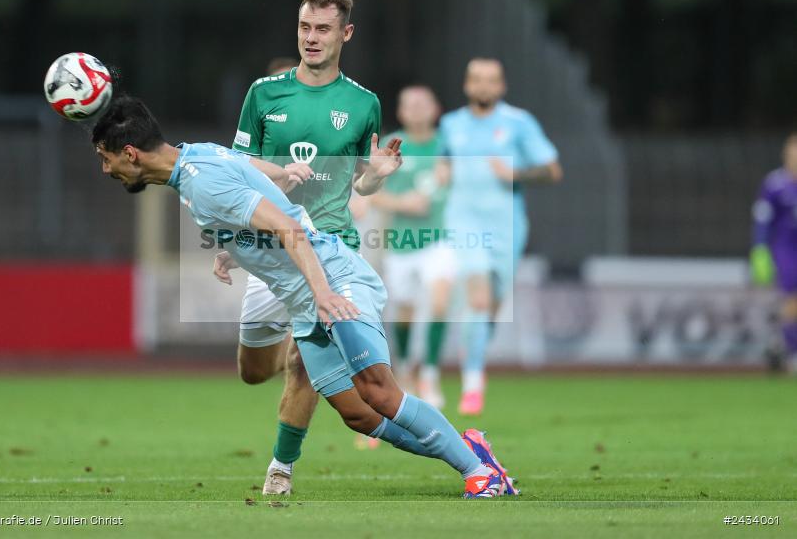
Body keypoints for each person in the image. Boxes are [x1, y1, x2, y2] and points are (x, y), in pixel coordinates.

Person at [91, 95, 517, 499]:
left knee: (379, 390)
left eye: (105, 158)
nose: (106, 170)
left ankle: (480, 475)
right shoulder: (195, 157)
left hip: (332, 278)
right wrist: (233, 250)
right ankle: (472, 451)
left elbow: (289, 228)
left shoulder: (203, 183)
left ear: (130, 153)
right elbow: (257, 185)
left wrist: (324, 293)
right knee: (359, 414)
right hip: (305, 299)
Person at [221, 0, 396, 495]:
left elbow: (359, 183)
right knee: (254, 371)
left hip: (330, 248)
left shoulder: (364, 104)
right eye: (304, 27)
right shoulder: (263, 94)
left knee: (304, 363)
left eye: (322, 29)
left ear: (346, 34)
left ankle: (281, 468)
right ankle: (283, 343)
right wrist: (275, 177)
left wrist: (379, 175)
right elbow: (236, 169)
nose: (311, 38)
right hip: (272, 249)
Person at [440, 58, 562, 416]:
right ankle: (473, 381)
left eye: (491, 80)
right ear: (467, 85)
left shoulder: (519, 123)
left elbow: (552, 170)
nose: (483, 86)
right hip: (462, 222)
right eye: (477, 79)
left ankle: (474, 345)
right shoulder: (450, 125)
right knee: (477, 298)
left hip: (507, 227)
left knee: (491, 303)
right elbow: (441, 163)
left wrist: (516, 173)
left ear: (501, 86)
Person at [368, 85, 453, 408]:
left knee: (440, 302)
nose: (416, 110)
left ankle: (429, 373)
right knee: (404, 310)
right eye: (409, 104)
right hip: (401, 244)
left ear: (435, 109)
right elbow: (372, 194)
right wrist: (404, 203)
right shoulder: (393, 146)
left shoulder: (447, 145)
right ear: (401, 112)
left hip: (438, 240)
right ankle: (404, 369)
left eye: (422, 104)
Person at [751, 133, 797, 373]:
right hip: (786, 248)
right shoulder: (775, 184)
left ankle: (780, 344)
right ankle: (789, 351)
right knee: (792, 297)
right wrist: (759, 249)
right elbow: (762, 218)